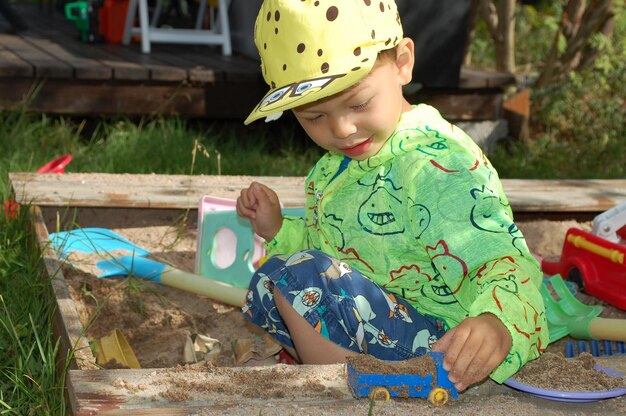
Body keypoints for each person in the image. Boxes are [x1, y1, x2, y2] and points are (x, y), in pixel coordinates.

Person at [236, 0, 548, 392]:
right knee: (270, 281)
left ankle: (353, 387)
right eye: (314, 117)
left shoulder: (436, 165)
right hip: (385, 321)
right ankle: (351, 375)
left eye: (359, 103)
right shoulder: (333, 169)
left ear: (402, 62)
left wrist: (496, 322)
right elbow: (334, 250)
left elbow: (504, 259)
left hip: (448, 343)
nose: (343, 128)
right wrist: (279, 227)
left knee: (297, 277)